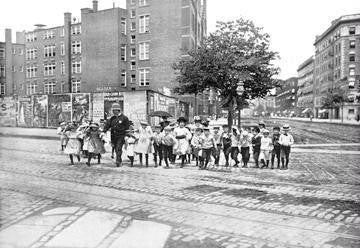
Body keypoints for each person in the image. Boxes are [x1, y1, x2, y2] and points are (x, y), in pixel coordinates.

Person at [103, 103, 130, 167]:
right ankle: (119, 159)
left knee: (118, 148)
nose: (114, 112)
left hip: (121, 136)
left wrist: (127, 136)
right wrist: (103, 131)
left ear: (118, 110)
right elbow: (107, 125)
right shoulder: (112, 118)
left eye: (115, 110)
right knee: (115, 149)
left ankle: (118, 161)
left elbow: (127, 128)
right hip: (113, 136)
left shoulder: (124, 118)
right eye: (113, 110)